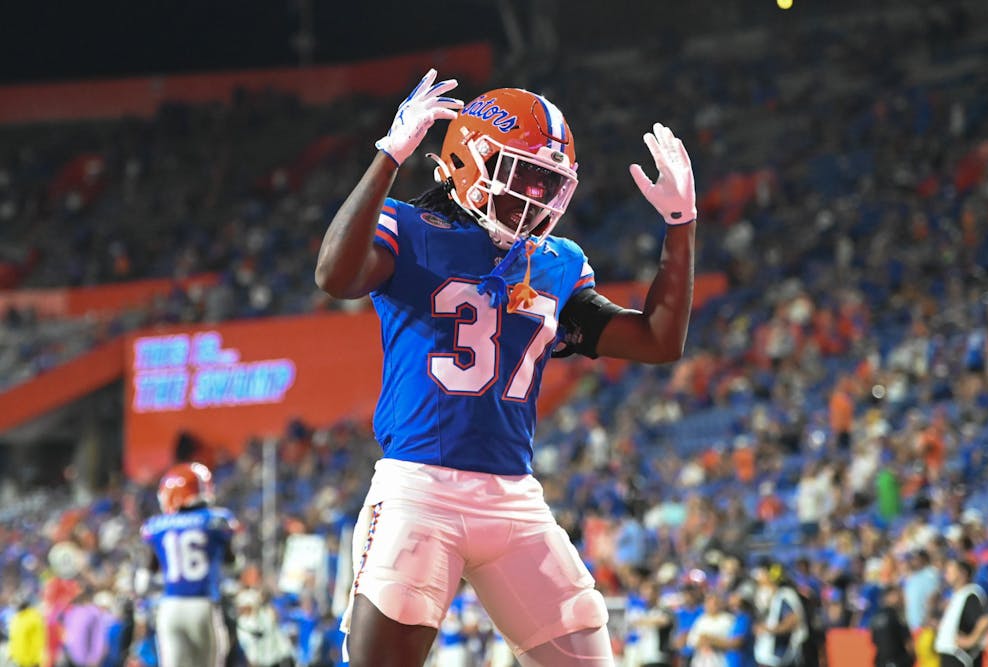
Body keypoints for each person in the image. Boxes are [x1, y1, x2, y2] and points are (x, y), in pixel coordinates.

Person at [315, 68, 697, 667]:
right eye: (523, 175)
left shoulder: (555, 261)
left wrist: (681, 227)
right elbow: (335, 276)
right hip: (420, 491)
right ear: (465, 163)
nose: (536, 197)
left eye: (549, 183)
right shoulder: (410, 227)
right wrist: (388, 156)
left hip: (514, 498)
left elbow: (657, 340)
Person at [139, 462, 239, 667]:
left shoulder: (157, 526)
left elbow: (147, 576)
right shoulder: (217, 520)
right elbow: (231, 564)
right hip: (202, 605)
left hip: (170, 607)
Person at [934, 558, 988, 667]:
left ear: (962, 573)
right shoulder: (959, 594)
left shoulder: (970, 594)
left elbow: (985, 620)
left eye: (950, 571)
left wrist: (970, 640)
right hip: (950, 656)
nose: (946, 574)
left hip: (959, 657)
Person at [869, 586, 914, 667]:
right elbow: (907, 640)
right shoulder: (897, 616)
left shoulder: (876, 616)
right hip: (898, 661)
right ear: (889, 597)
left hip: (881, 661)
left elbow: (874, 641)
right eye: (898, 595)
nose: (901, 598)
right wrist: (912, 657)